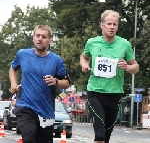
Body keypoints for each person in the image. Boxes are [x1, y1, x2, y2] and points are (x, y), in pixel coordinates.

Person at [80, 10, 139, 143]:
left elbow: (135, 67)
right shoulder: (92, 43)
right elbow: (84, 57)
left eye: (115, 24)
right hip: (95, 92)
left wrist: (128, 67)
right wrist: (84, 65)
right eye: (109, 24)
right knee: (99, 135)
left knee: (106, 137)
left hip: (115, 93)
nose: (112, 27)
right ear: (102, 25)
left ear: (117, 26)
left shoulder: (125, 44)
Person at [9, 25, 70, 143]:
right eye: (37, 36)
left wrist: (55, 81)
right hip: (25, 106)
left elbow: (66, 83)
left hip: (46, 111)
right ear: (33, 38)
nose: (40, 39)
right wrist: (13, 83)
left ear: (50, 40)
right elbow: (13, 68)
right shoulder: (22, 54)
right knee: (29, 137)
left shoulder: (57, 60)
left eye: (44, 37)